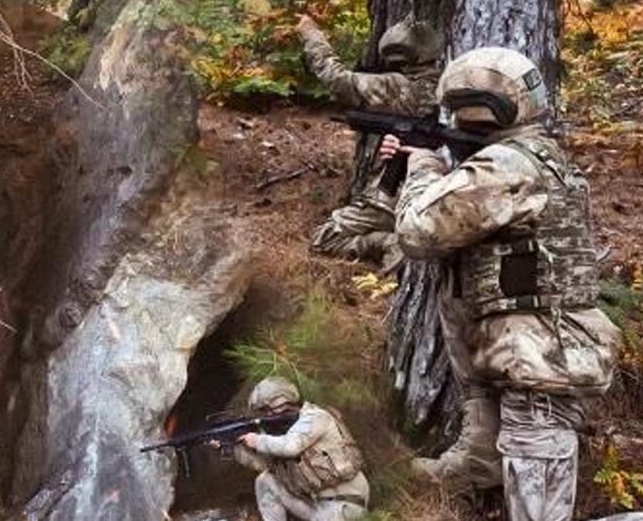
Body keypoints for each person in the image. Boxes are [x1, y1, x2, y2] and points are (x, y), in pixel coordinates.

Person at [387, 47, 622, 520]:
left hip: (539, 363)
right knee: (509, 460)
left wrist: (424, 168)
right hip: (526, 356)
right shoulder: (530, 157)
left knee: (537, 501)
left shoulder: (509, 166)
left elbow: (418, 230)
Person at [296, 15, 443, 271]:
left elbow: (338, 81)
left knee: (323, 238)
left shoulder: (401, 87)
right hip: (429, 194)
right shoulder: (445, 85)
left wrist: (311, 35)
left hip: (390, 198)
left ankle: (388, 244)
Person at [222, 376, 368, 521]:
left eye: (268, 410)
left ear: (281, 402)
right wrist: (233, 448)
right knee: (265, 480)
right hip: (317, 506)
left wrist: (257, 440)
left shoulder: (316, 417)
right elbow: (265, 465)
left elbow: (291, 447)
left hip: (344, 506)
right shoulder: (288, 433)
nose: (267, 415)